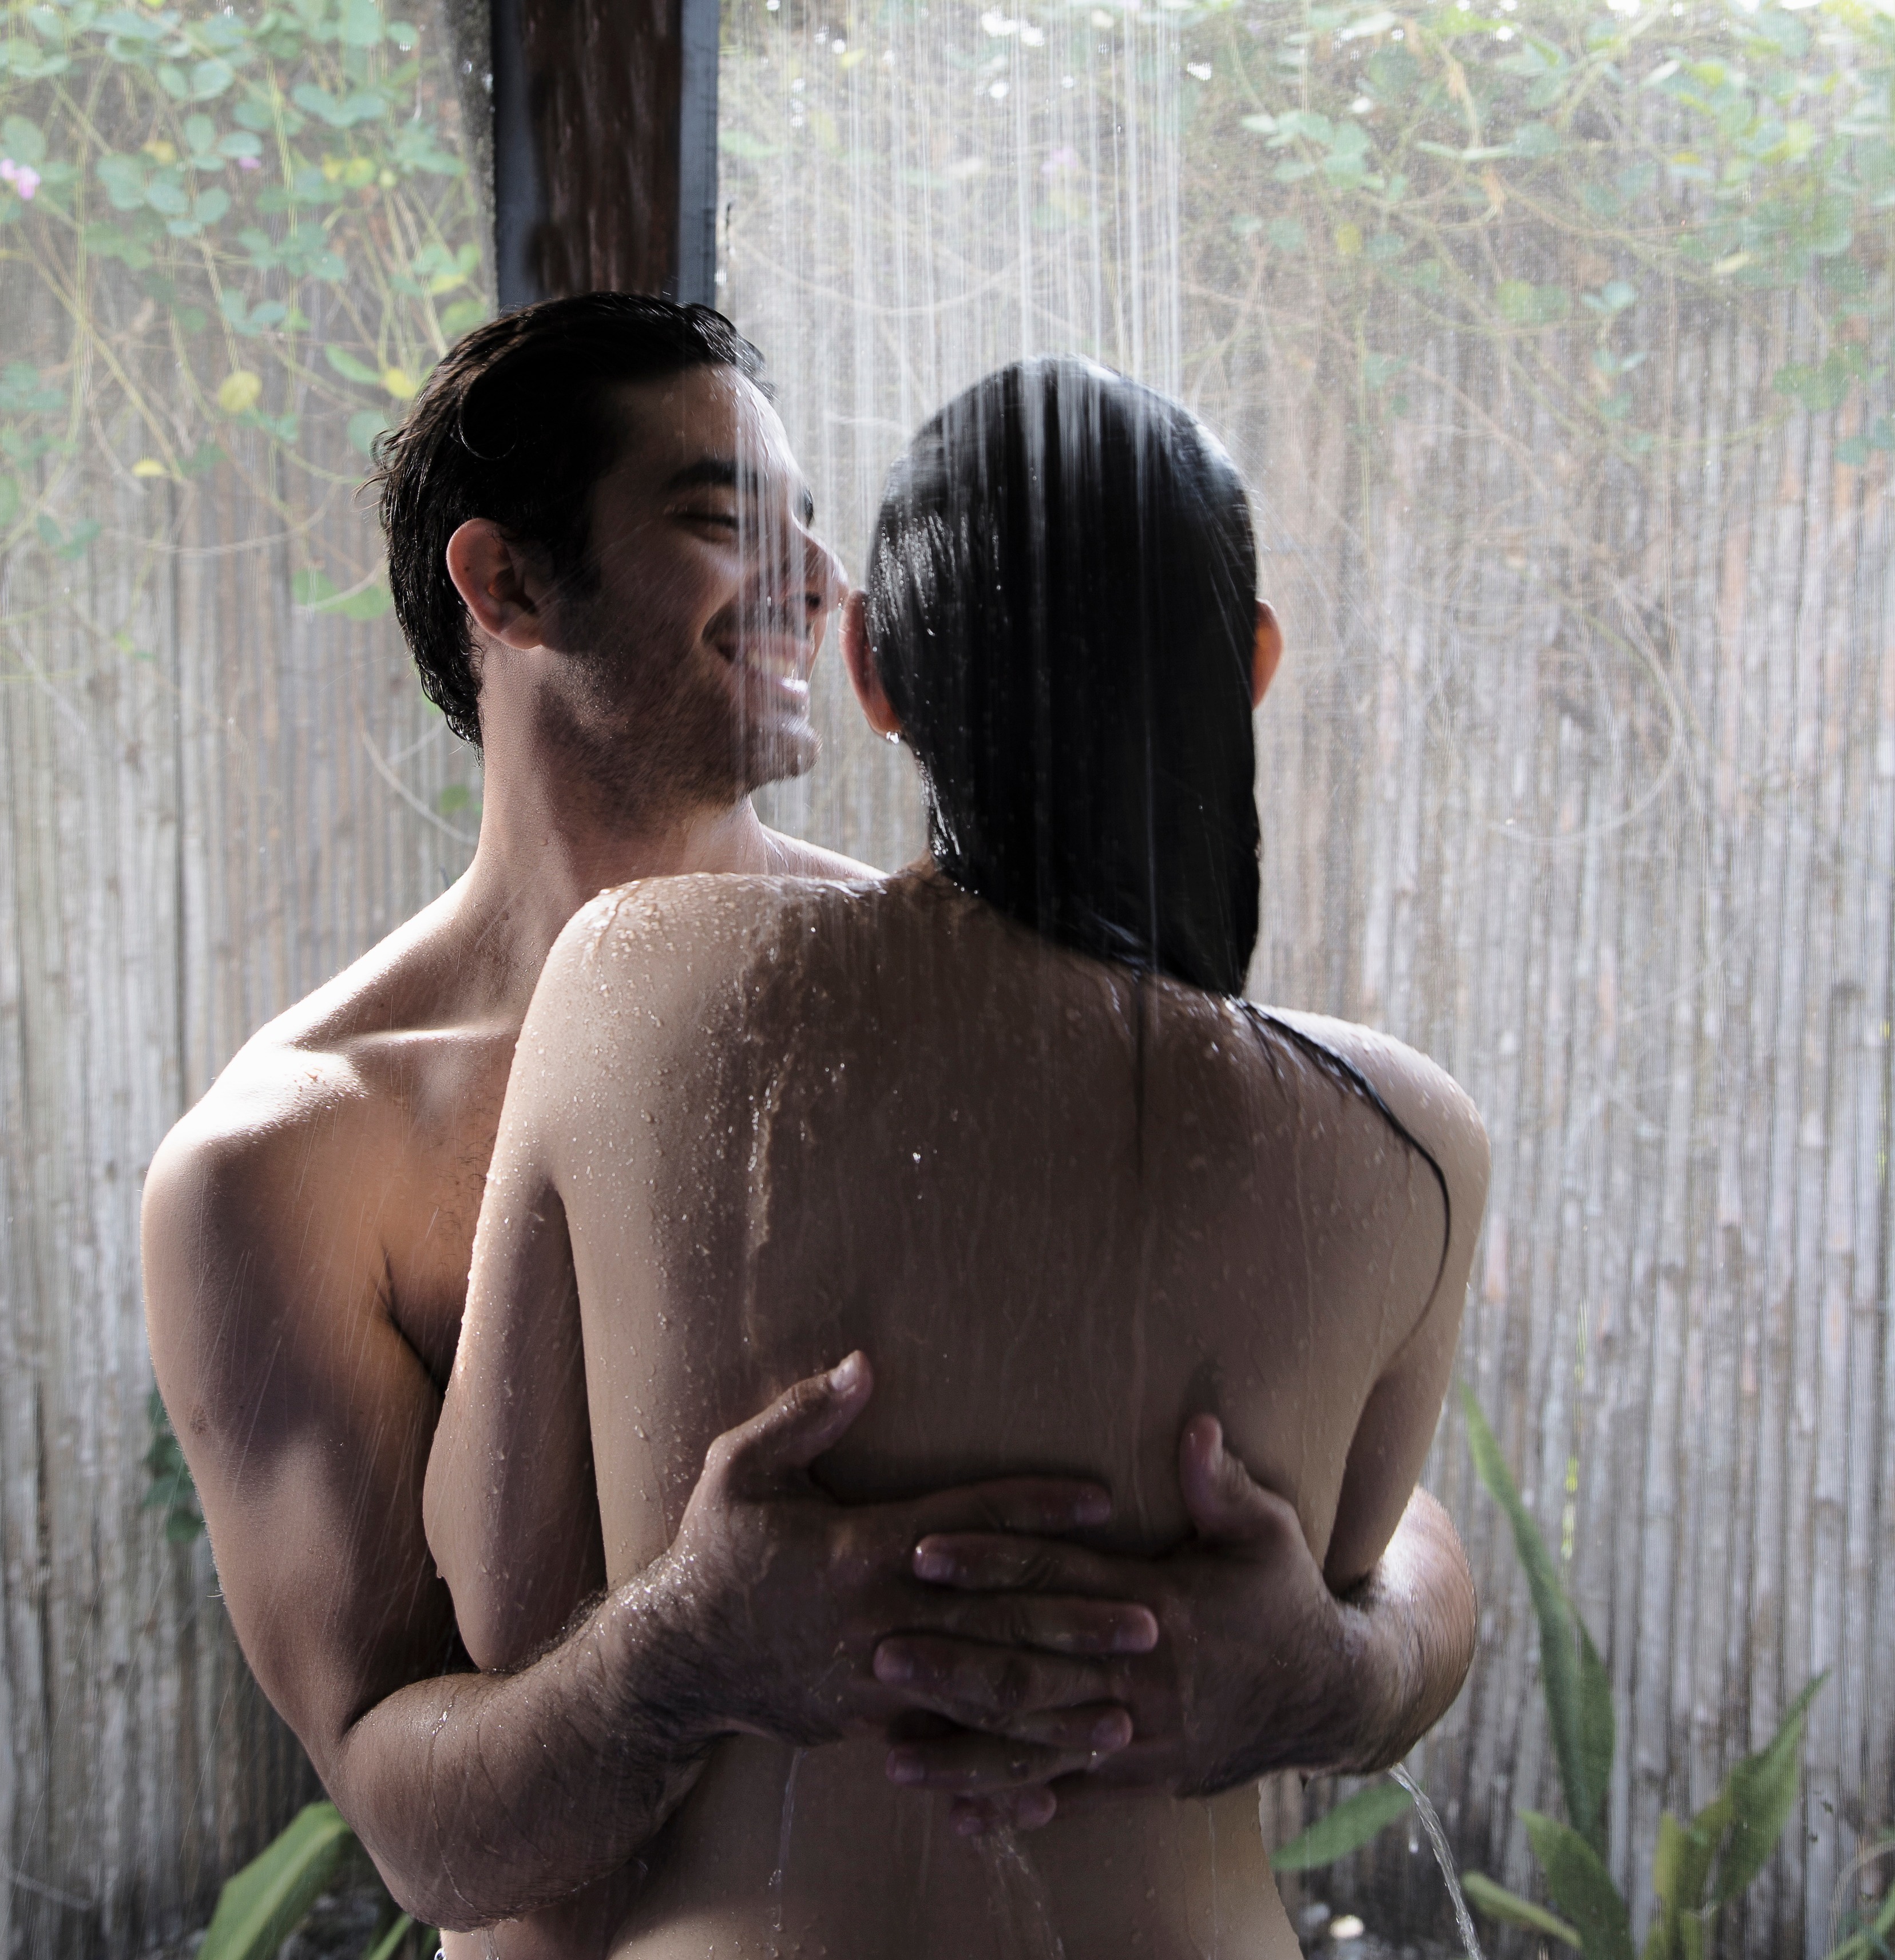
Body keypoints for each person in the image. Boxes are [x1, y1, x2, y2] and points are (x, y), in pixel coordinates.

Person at [141, 297, 1477, 1943]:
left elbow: (1354, 1492)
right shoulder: (288, 1163)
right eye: (721, 522)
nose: (820, 584)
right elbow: (429, 1839)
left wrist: (1329, 1667)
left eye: (819, 534)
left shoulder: (978, 992)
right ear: (508, 583)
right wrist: (687, 1650)